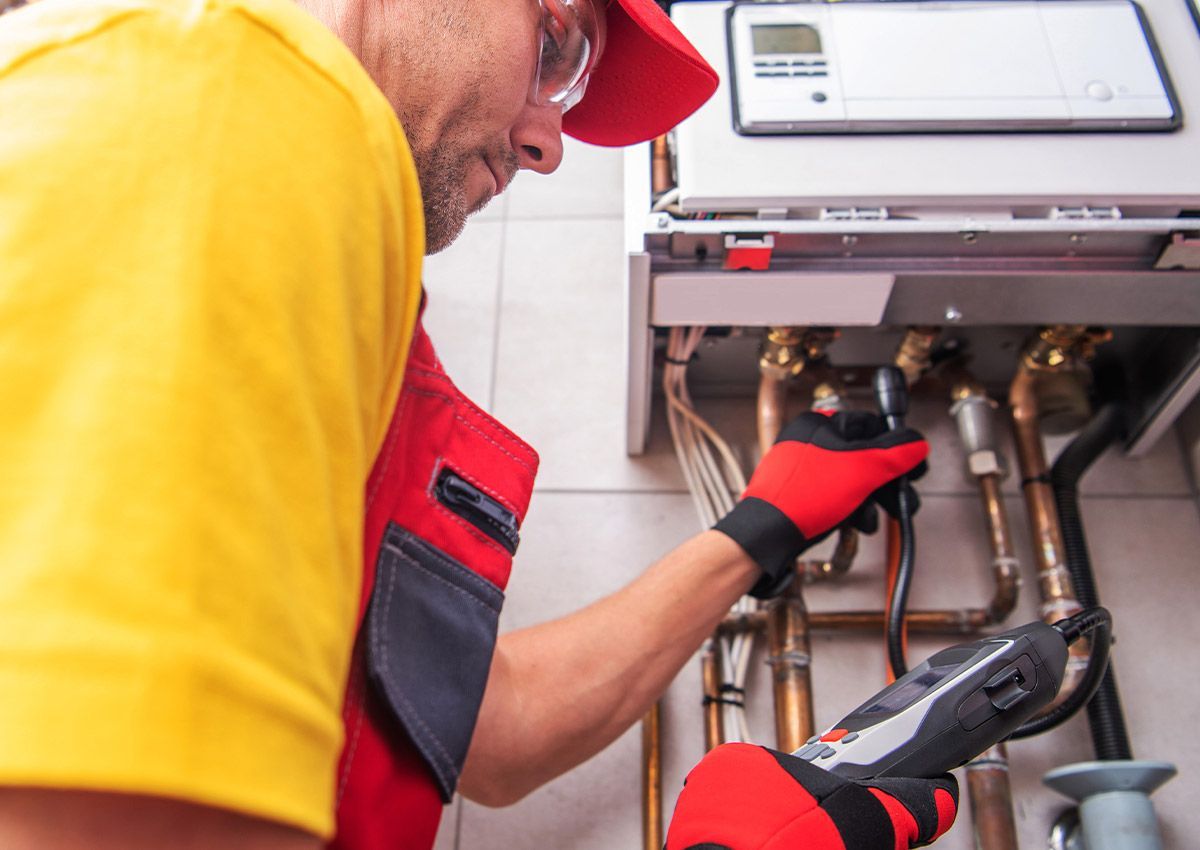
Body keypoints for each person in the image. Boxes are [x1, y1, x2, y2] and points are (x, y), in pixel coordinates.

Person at [0, 0, 956, 847]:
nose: (548, 143)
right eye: (556, 50)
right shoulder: (225, 90)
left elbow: (479, 725)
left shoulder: (303, 238)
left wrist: (759, 530)